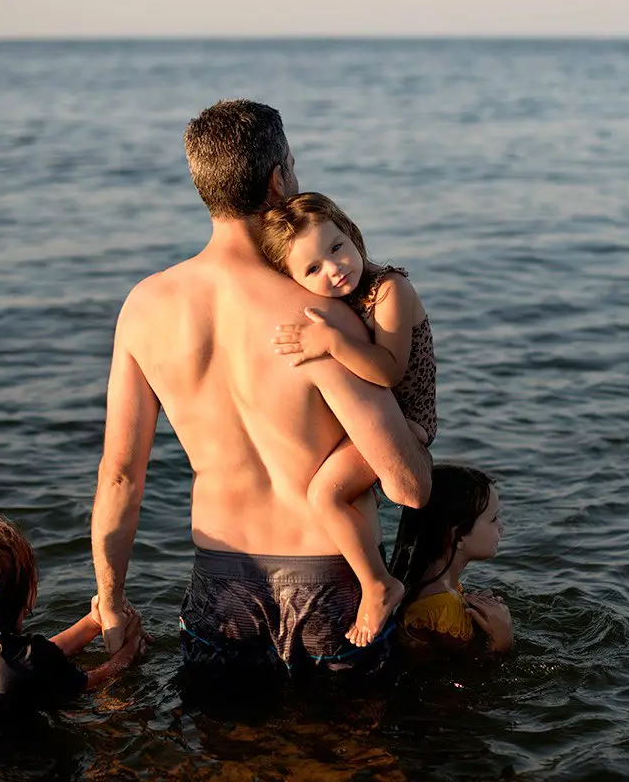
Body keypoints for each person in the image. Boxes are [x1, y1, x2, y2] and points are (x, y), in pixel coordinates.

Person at [89, 99, 432, 684]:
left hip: (220, 585)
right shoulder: (318, 319)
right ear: (280, 180)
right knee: (351, 763)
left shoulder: (143, 307)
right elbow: (409, 487)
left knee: (227, 757)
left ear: (205, 187)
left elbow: (122, 475)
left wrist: (111, 601)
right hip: (330, 582)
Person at [259, 191, 437, 648]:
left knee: (325, 492)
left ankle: (379, 585)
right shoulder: (344, 295)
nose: (334, 269)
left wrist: (332, 343)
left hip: (409, 420)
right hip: (375, 419)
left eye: (337, 248)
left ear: (352, 233)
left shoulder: (389, 290)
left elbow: (389, 369)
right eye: (312, 269)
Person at [0, 517, 144, 702]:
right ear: (28, 594)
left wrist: (93, 622)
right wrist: (131, 647)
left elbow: (37, 659)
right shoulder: (32, 661)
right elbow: (93, 681)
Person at [389, 464, 513, 654]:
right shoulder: (442, 610)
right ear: (459, 536)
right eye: (493, 518)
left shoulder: (424, 583)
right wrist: (503, 640)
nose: (501, 527)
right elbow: (468, 679)